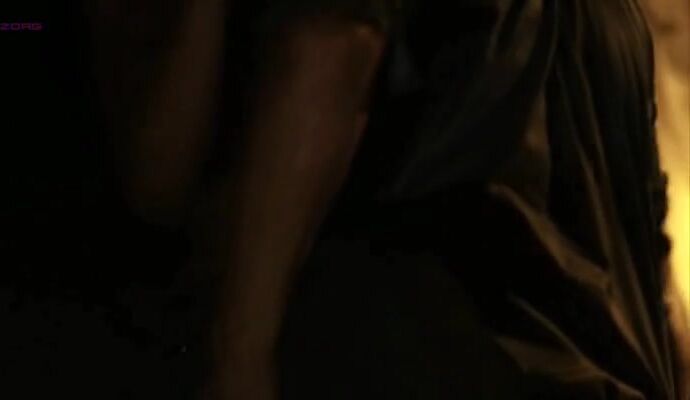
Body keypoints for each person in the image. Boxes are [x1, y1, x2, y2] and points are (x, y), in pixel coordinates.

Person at [81, 0, 686, 398]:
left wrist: (235, 364)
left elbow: (324, 49)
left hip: (426, 357)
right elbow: (656, 279)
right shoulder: (617, 19)